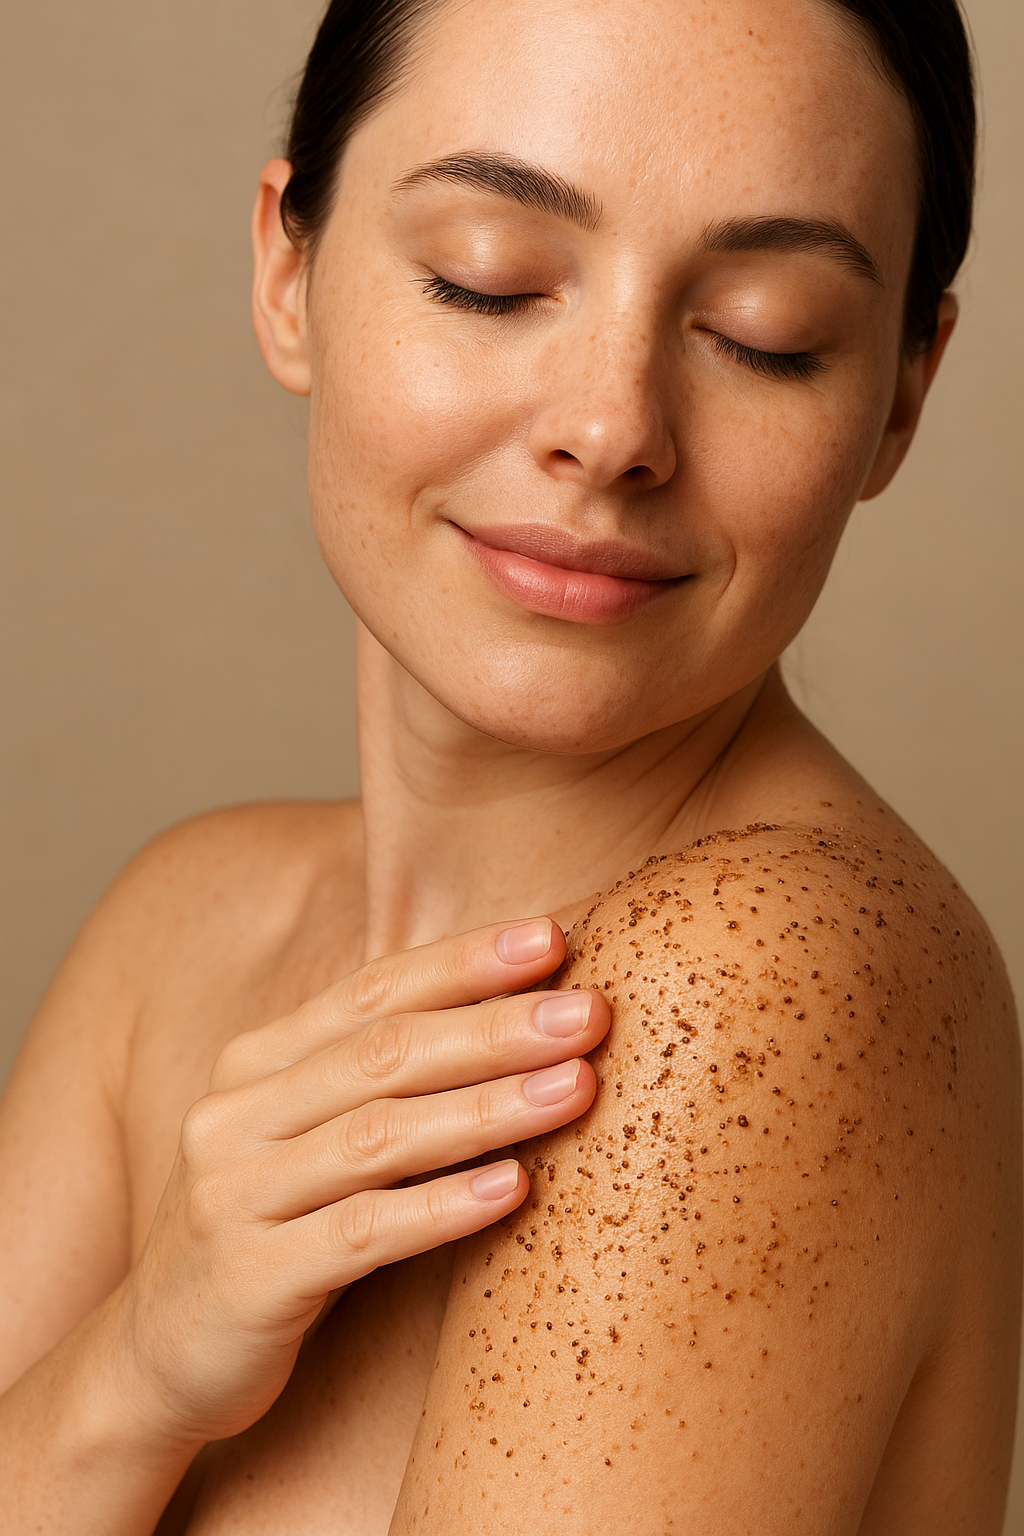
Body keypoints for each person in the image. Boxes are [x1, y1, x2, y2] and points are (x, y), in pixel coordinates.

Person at [0, 0, 1019, 1530]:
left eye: (765, 334)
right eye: (490, 281)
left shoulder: (751, 991)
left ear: (900, 395)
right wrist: (135, 1377)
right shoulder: (184, 925)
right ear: (289, 271)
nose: (611, 429)